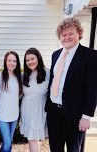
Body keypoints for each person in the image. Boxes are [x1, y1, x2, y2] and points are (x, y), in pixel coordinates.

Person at [45, 17, 97, 152]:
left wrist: (86, 116)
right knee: (55, 148)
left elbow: (93, 88)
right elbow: (53, 80)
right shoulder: (55, 55)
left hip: (75, 115)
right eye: (63, 34)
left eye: (70, 33)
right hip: (53, 112)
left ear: (79, 33)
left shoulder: (91, 55)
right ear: (59, 37)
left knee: (74, 149)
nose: (66, 37)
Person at [20, 48, 50, 152]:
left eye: (32, 58)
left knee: (34, 139)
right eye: (27, 60)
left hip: (38, 110)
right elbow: (18, 93)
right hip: (26, 110)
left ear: (38, 58)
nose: (30, 62)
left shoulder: (48, 73)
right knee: (31, 138)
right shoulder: (24, 75)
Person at [0, 51, 22, 152]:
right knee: (7, 142)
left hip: (14, 114)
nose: (12, 63)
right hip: (1, 114)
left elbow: (20, 95)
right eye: (9, 60)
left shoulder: (20, 77)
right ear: (5, 62)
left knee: (9, 142)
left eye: (14, 61)